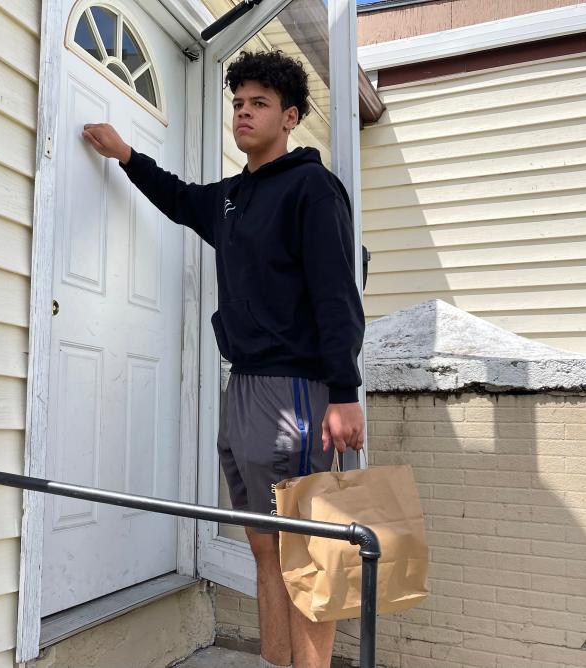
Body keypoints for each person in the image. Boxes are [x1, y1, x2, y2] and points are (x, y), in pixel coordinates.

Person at [81, 49, 365, 668]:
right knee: (265, 549)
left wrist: (343, 393)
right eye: (237, 103)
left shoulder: (312, 189)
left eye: (258, 103)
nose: (243, 113)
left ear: (290, 117)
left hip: (297, 391)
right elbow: (180, 199)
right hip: (243, 392)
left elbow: (337, 293)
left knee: (309, 556)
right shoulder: (233, 198)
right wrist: (128, 156)